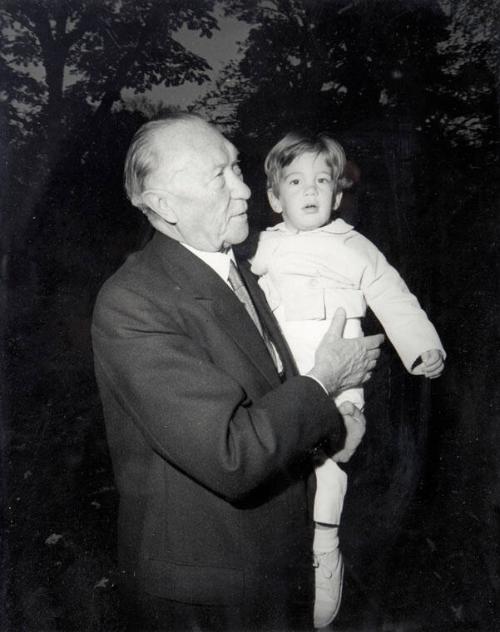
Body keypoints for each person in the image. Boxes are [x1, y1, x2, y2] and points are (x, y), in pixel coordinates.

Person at [91, 113, 384, 632]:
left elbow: (268, 393)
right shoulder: (133, 301)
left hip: (276, 569)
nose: (246, 190)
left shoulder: (238, 269)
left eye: (237, 168)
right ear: (163, 205)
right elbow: (233, 452)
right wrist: (326, 381)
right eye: (219, 177)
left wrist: (330, 431)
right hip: (209, 594)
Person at [251, 131, 446, 628]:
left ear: (338, 194)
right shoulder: (263, 247)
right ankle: (283, 552)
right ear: (275, 198)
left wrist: (420, 344)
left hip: (342, 367)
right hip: (280, 366)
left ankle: (325, 544)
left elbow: (392, 294)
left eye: (323, 180)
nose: (310, 190)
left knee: (332, 454)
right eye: (295, 181)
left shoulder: (354, 245)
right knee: (279, 454)